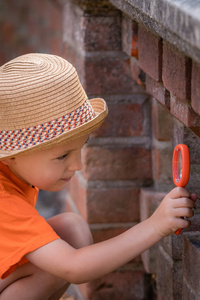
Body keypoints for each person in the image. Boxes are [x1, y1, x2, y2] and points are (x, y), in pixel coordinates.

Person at [0, 53, 196, 300]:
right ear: (9, 155)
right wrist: (155, 226)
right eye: (62, 156)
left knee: (72, 230)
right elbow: (74, 268)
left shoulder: (14, 170)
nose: (78, 165)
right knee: (61, 260)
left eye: (81, 147)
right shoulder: (4, 202)